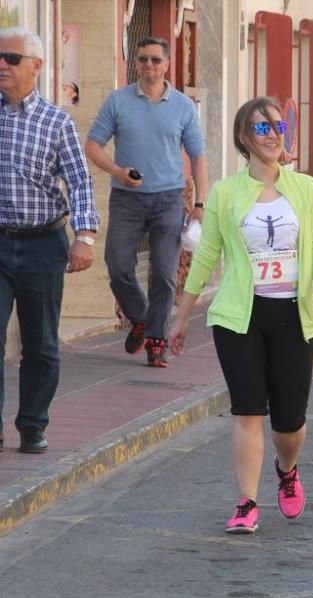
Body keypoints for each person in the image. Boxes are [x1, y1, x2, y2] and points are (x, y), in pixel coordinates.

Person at [167, 97, 313, 533]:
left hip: (294, 314)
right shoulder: (226, 192)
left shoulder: (303, 187)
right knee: (247, 411)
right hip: (239, 317)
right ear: (245, 137)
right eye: (263, 129)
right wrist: (181, 316)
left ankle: (287, 468)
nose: (274, 135)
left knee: (290, 422)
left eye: (279, 127)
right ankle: (246, 503)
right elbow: (207, 257)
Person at [0, 27, 99, 454]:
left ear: (37, 67)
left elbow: (79, 182)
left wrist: (86, 238)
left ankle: (32, 425)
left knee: (40, 344)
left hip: (43, 244)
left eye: (11, 58)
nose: (2, 65)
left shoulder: (57, 121)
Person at [85, 36, 208, 368]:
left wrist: (200, 204)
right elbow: (93, 145)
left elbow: (198, 157)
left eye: (155, 60)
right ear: (136, 63)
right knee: (118, 264)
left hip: (168, 199)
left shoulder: (182, 106)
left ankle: (157, 340)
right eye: (143, 59)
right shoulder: (118, 101)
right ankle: (140, 316)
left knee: (164, 274)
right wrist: (118, 170)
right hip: (126, 198)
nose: (149, 65)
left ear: (167, 64)